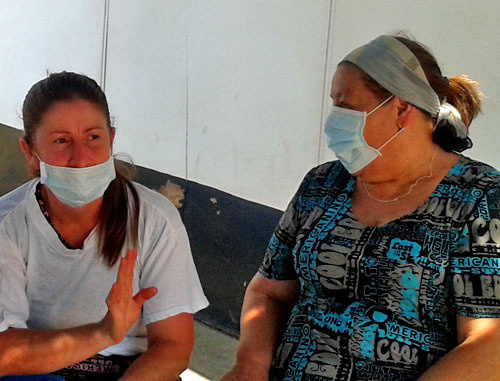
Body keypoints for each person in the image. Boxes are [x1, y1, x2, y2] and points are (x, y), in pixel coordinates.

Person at [221, 35, 500, 380]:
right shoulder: (322, 184)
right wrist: (248, 366)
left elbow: (489, 344)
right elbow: (268, 290)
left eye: (347, 106)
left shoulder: (479, 198)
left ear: (401, 109)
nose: (332, 121)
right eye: (333, 104)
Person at [0, 72, 209, 380]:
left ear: (111, 138)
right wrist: (104, 332)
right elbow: (5, 356)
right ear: (30, 152)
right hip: (39, 370)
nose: (81, 158)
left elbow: (173, 347)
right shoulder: (8, 224)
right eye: (61, 141)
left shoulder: (154, 219)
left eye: (93, 138)